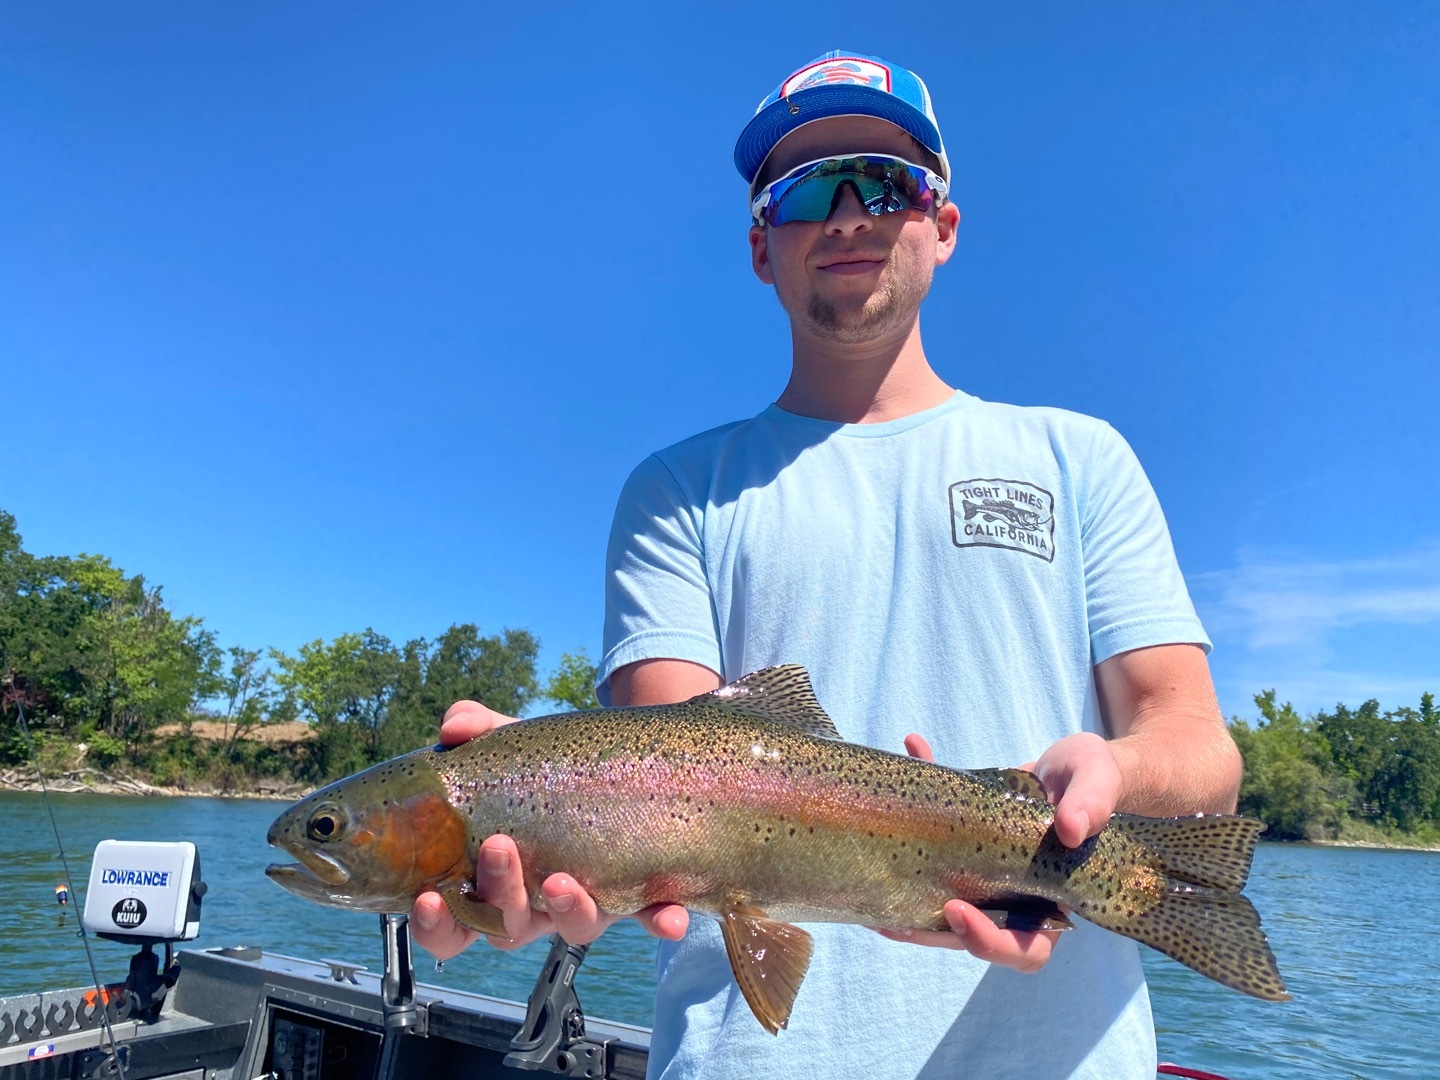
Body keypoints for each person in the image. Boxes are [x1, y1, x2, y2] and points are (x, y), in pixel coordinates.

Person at [412, 50, 1241, 1080]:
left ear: (942, 226)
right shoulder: (677, 491)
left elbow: (1201, 750)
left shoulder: (1080, 459)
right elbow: (675, 770)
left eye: (886, 182)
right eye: (805, 189)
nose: (847, 213)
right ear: (763, 247)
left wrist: (1117, 772)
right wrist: (533, 805)